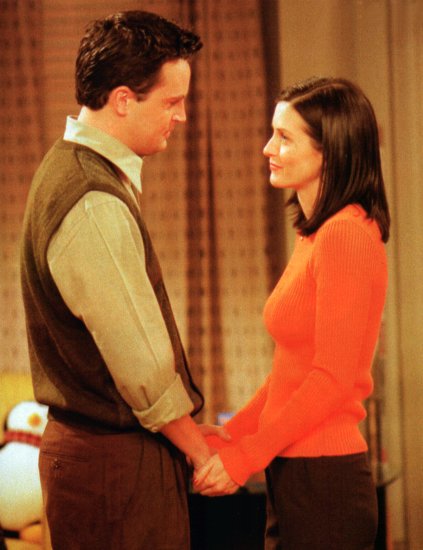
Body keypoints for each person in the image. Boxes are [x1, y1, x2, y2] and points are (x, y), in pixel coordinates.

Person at [20, 11, 220, 550]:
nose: (181, 116)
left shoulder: (71, 169)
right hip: (113, 468)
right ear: (124, 100)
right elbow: (142, 367)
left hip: (105, 461)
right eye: (172, 102)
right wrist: (200, 450)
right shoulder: (91, 198)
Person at [194, 76, 390, 550]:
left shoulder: (345, 235)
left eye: (284, 137)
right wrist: (230, 436)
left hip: (325, 483)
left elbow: (330, 380)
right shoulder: (316, 235)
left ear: (330, 152)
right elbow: (290, 372)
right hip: (297, 474)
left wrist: (244, 459)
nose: (268, 148)